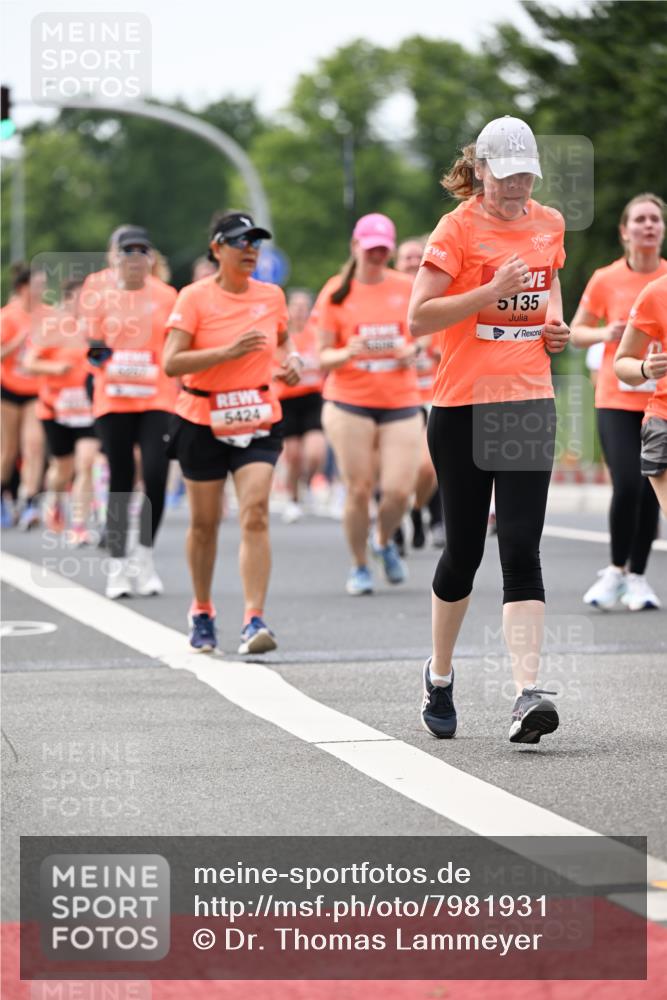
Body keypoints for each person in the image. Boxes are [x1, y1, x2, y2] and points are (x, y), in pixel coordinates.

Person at [408, 115, 570, 744]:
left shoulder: (549, 223)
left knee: (522, 547)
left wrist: (554, 323)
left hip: (526, 401)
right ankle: (440, 674)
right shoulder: (456, 229)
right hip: (461, 408)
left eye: (525, 174)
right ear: (480, 171)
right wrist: (488, 291)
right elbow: (420, 317)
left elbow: (549, 282)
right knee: (464, 553)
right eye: (504, 176)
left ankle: (527, 694)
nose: (515, 186)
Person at [163, 210, 302, 654]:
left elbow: (283, 339)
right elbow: (171, 362)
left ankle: (253, 619)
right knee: (205, 524)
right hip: (201, 417)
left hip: (257, 414)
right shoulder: (193, 297)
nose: (250, 250)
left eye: (256, 242)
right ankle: (202, 610)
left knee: (255, 511)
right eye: (241, 242)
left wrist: (292, 360)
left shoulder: (272, 296)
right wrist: (227, 352)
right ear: (217, 249)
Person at [317, 213, 422, 595]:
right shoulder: (336, 292)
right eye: (371, 249)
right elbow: (322, 356)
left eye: (383, 250)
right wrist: (347, 352)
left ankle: (382, 540)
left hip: (400, 399)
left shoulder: (405, 287)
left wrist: (412, 349)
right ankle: (359, 565)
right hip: (350, 401)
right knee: (359, 489)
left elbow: (427, 333)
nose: (377, 256)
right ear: (355, 247)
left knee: (398, 491)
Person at [571, 194, 666, 611]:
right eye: (640, 219)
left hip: (660, 400)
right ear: (625, 231)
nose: (648, 225)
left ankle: (637, 577)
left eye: (655, 219)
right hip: (617, 396)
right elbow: (576, 331)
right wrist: (604, 333)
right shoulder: (605, 279)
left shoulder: (665, 280)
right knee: (628, 483)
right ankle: (615, 570)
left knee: (649, 490)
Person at [82, 226, 177, 598]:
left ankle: (145, 557)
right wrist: (108, 358)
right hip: (114, 397)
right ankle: (118, 566)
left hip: (157, 398)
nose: (134, 258)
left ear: (150, 258)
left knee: (155, 474)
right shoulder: (96, 289)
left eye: (141, 251)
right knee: (121, 477)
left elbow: (175, 346)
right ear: (115, 256)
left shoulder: (167, 295)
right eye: (127, 251)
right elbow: (91, 343)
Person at [24, 278, 99, 543]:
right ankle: (55, 498)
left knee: (86, 463)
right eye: (80, 298)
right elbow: (29, 363)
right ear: (67, 300)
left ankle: (78, 526)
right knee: (62, 468)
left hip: (88, 409)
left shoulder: (96, 328)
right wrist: (54, 368)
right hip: (55, 410)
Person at [395, 236, 444, 550]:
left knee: (430, 466)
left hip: (434, 394)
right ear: (396, 264)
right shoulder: (386, 301)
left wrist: (435, 351)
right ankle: (395, 525)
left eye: (418, 257)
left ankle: (423, 513)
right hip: (395, 398)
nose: (413, 262)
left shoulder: (440, 297)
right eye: (407, 257)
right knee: (396, 467)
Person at [615, 274, 667, 517]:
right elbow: (622, 363)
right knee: (628, 489)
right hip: (663, 421)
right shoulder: (657, 292)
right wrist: (645, 368)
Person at [1, 264, 47, 530]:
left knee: (34, 446)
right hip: (8, 389)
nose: (42, 290)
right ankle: (2, 497)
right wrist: (16, 344)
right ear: (23, 288)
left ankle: (30, 501)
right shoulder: (7, 316)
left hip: (36, 391)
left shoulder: (49, 316)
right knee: (8, 450)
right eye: (37, 285)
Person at [275, 289, 327, 523]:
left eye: (304, 307)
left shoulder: (316, 333)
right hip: (287, 399)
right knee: (293, 455)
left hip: (312, 397)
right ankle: (293, 499)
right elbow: (272, 366)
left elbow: (326, 359)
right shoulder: (282, 336)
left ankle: (307, 481)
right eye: (295, 306)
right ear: (288, 309)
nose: (299, 311)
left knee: (315, 453)